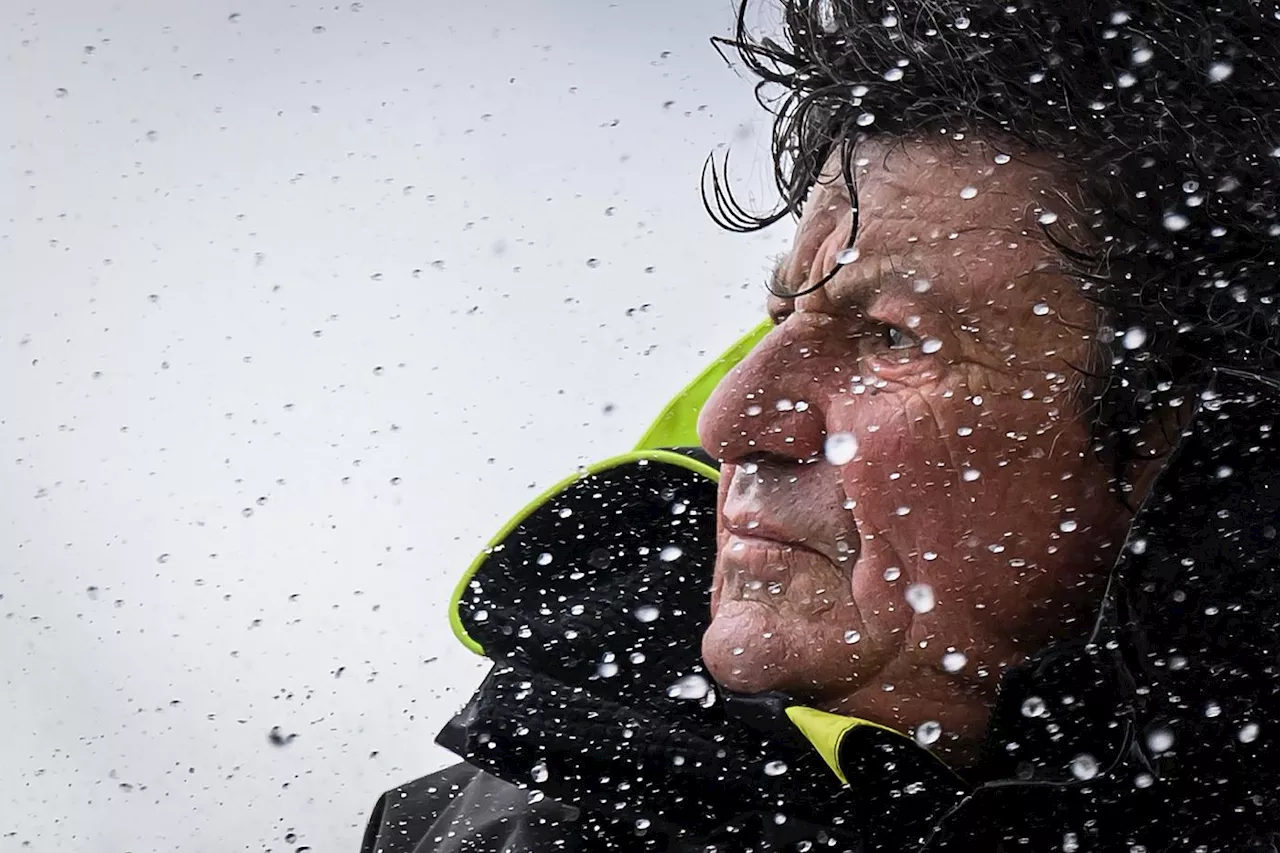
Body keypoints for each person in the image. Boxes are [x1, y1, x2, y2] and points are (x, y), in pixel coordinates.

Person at [361, 1, 1280, 850]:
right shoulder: (463, 831)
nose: (732, 420)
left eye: (893, 338)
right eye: (778, 317)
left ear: (1181, 446)